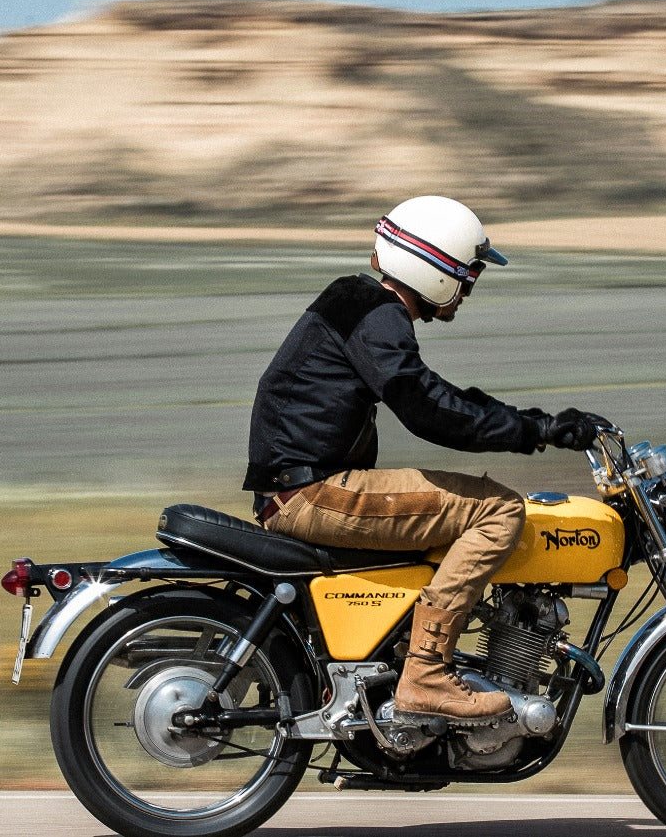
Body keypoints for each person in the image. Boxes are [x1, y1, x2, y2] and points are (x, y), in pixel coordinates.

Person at [244, 195, 610, 726]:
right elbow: (429, 411)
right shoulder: (378, 313)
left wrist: (536, 423)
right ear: (435, 267)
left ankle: (416, 661)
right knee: (499, 510)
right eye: (469, 272)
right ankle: (427, 673)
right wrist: (539, 430)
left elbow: (436, 394)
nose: (469, 286)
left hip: (301, 487)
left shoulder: (359, 304)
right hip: (313, 493)